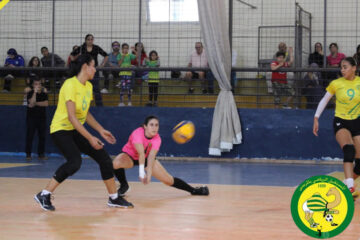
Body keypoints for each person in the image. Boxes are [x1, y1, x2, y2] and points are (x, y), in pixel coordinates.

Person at [34, 54, 133, 211]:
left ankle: (114, 198)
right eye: (93, 66)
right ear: (85, 67)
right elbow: (72, 117)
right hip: (61, 129)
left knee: (104, 159)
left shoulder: (88, 87)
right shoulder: (70, 85)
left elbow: (85, 114)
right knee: (74, 162)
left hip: (75, 129)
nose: (95, 69)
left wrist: (101, 130)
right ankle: (44, 194)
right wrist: (90, 137)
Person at [112, 115, 209, 197]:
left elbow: (150, 157)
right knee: (116, 163)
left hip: (146, 158)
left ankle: (194, 190)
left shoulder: (157, 139)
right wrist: (142, 173)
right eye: (151, 125)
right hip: (130, 156)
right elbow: (141, 153)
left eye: (156, 125)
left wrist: (149, 174)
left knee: (168, 180)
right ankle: (124, 185)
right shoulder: (137, 133)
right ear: (145, 126)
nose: (154, 128)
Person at [313, 57, 360, 198]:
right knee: (349, 149)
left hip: (357, 121)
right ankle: (350, 187)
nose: (342, 70)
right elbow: (324, 100)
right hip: (341, 121)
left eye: (345, 67)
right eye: (341, 67)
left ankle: (344, 185)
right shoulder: (336, 83)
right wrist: (316, 118)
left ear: (354, 68)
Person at [80, 34, 108, 106]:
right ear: (85, 40)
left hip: (94, 71)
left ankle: (99, 106)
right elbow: (72, 55)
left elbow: (106, 55)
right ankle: (84, 105)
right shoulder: (82, 48)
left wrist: (102, 65)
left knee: (96, 89)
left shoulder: (96, 48)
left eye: (91, 39)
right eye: (88, 39)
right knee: (84, 88)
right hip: (85, 71)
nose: (90, 41)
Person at [25, 77, 48, 161]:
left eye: (39, 84)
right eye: (35, 84)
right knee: (30, 136)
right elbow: (31, 104)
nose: (37, 86)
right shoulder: (30, 93)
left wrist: (36, 103)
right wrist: (34, 93)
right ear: (32, 85)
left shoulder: (44, 93)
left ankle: (41, 154)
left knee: (42, 137)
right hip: (31, 118)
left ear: (41, 85)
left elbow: (46, 104)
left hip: (42, 118)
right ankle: (28, 154)